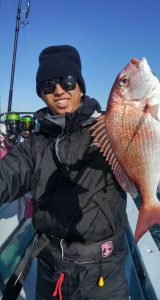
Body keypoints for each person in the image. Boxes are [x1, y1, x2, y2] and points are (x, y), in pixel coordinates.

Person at [0, 45, 129, 300]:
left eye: (67, 82)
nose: (58, 90)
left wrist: (157, 130)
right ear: (41, 94)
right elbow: (7, 176)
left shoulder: (110, 131)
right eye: (48, 86)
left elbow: (156, 153)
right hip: (50, 273)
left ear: (80, 86)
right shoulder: (34, 146)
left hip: (104, 276)